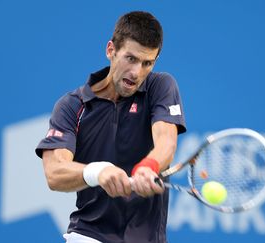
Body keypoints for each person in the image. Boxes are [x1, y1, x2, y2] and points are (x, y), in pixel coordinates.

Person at [35, 11, 186, 243]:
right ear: (110, 50)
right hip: (89, 236)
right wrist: (98, 172)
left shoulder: (160, 86)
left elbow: (166, 140)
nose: (137, 72)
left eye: (147, 63)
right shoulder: (72, 106)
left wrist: (149, 165)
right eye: (131, 58)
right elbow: (54, 172)